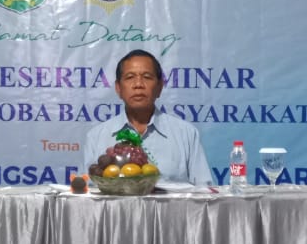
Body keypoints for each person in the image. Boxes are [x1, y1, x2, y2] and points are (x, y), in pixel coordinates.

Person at [81, 50, 214, 185]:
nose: (138, 84)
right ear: (118, 88)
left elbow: (204, 191)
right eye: (130, 77)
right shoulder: (96, 137)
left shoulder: (186, 134)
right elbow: (85, 193)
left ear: (159, 87)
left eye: (147, 77)